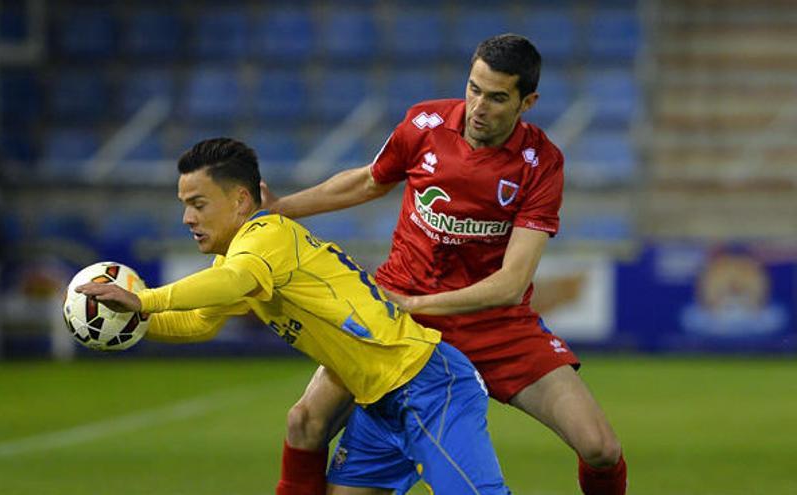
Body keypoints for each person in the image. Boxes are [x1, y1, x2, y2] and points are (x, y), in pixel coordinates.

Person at [264, 34, 627, 495]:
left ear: (527, 101)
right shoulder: (425, 123)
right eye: (474, 88)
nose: (478, 106)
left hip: (490, 323)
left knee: (600, 447)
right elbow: (368, 182)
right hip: (398, 320)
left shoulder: (541, 164)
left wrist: (417, 302)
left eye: (497, 97)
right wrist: (281, 208)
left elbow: (511, 285)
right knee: (305, 421)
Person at [77, 137, 511, 494]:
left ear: (242, 200)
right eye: (184, 205)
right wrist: (129, 323)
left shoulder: (267, 236)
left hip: (428, 386)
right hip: (379, 405)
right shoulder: (240, 259)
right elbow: (199, 321)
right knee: (304, 425)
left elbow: (232, 282)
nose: (188, 218)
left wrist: (146, 300)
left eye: (199, 204)